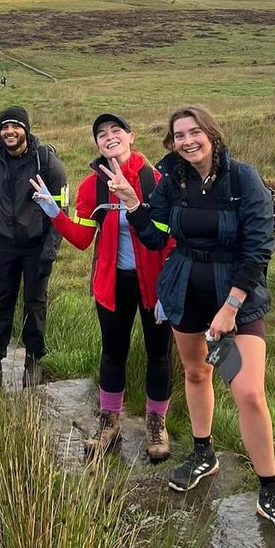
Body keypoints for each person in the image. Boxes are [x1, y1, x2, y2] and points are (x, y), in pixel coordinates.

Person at [108, 104, 275, 538]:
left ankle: (270, 490)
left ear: (212, 134)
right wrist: (133, 204)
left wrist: (231, 307)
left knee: (249, 392)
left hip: (233, 296)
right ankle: (203, 452)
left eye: (194, 132)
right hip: (184, 289)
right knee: (197, 373)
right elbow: (156, 236)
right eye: (179, 135)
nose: (187, 141)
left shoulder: (243, 179)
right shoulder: (173, 180)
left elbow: (257, 249)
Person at [31, 113, 173, 461]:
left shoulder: (156, 181)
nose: (108, 137)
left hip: (154, 286)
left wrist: (170, 289)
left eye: (116, 131)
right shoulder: (92, 186)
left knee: (158, 354)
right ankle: (109, 422)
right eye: (101, 134)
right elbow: (81, 239)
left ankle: (157, 423)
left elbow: (170, 239)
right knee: (113, 353)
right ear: (96, 144)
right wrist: (54, 213)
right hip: (112, 284)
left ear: (131, 137)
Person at [0, 106, 66, 390]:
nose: (9, 132)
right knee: (0, 300)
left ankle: (34, 359)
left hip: (36, 243)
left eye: (15, 126)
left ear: (25, 129)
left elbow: (60, 207)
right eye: (4, 127)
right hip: (5, 243)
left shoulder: (46, 161)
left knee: (35, 303)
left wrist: (50, 249)